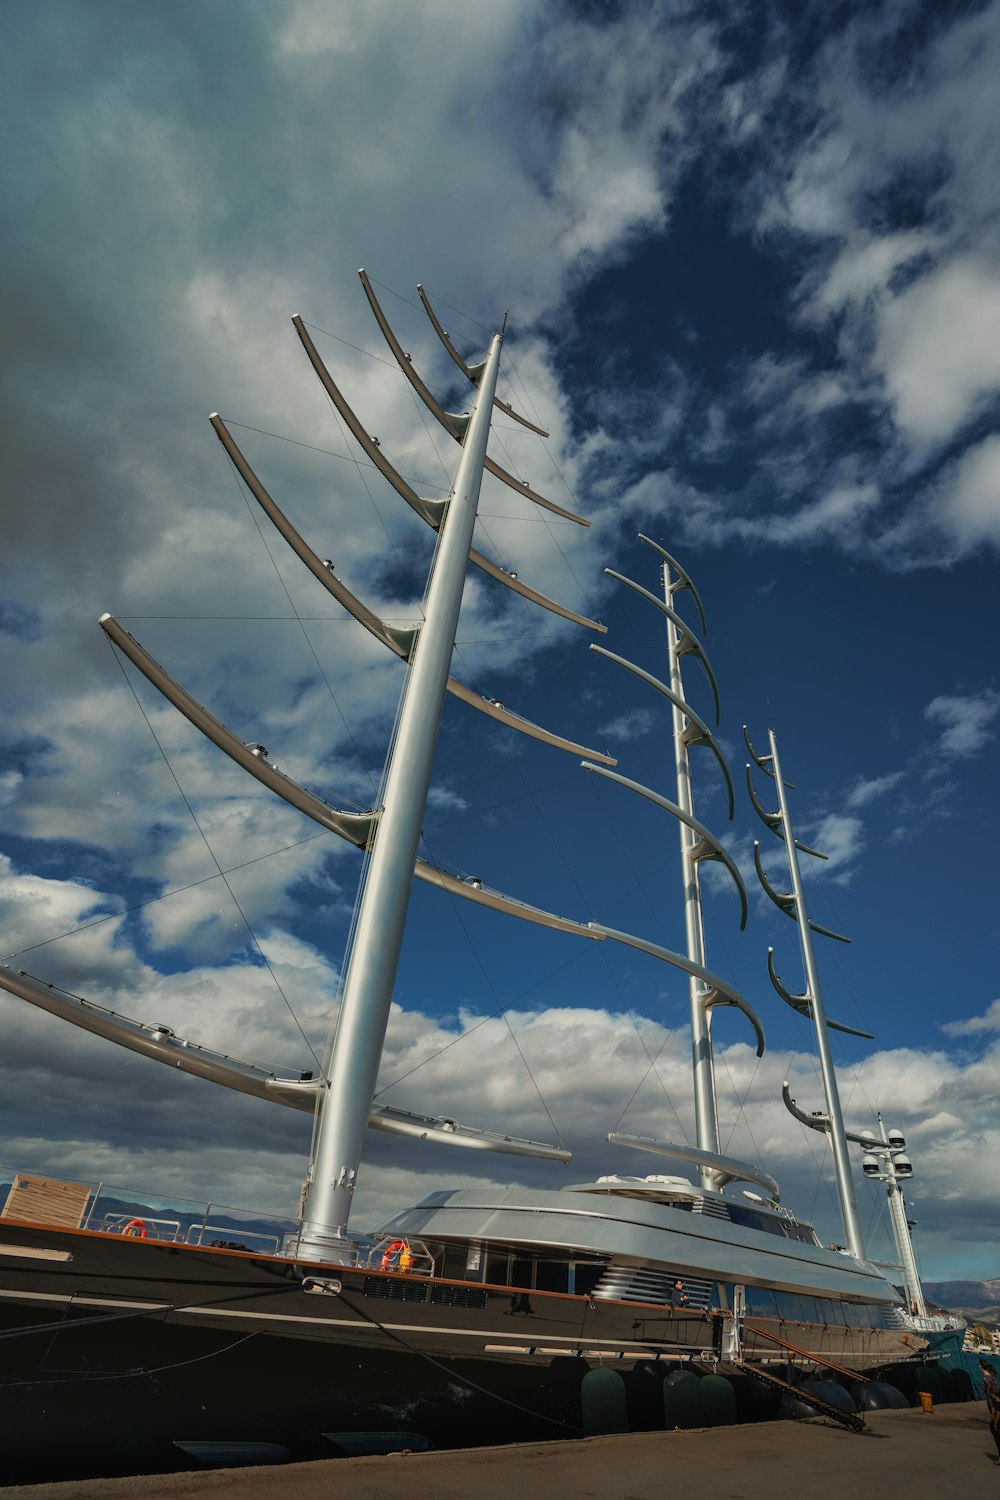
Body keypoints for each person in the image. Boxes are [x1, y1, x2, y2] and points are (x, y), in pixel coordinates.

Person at [980, 1359, 1000, 1463]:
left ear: (980, 1367)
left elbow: (988, 1393)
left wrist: (993, 1411)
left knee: (995, 1430)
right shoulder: (993, 1377)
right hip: (996, 1403)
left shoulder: (985, 1379)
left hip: (993, 1406)